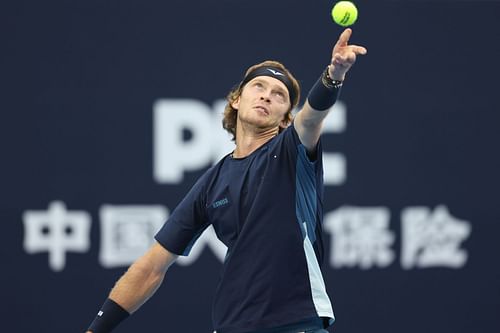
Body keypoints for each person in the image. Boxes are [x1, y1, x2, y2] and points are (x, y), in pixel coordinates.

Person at [86, 28, 367, 333]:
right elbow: (151, 266)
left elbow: (312, 117)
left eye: (279, 95)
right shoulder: (212, 183)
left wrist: (334, 74)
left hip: (295, 324)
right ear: (236, 100)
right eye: (259, 86)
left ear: (286, 119)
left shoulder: (290, 152)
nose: (266, 95)